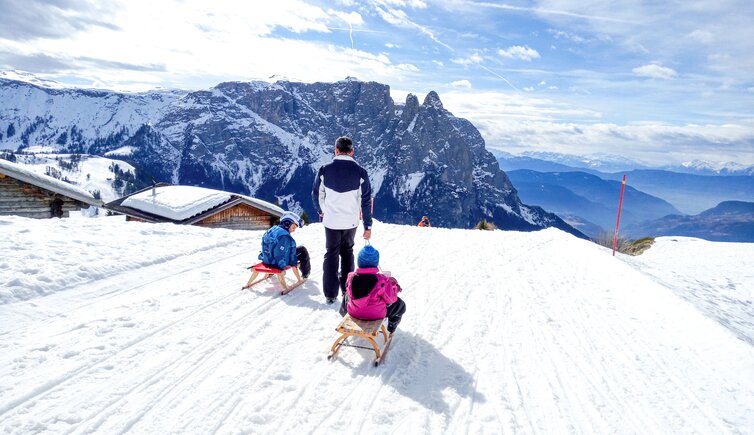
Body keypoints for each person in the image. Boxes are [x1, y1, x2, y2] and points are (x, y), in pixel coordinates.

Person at [312, 136, 373, 304]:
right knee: (348, 253)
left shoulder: (324, 170)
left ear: (336, 150)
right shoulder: (361, 172)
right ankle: (347, 292)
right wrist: (367, 225)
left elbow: (316, 194)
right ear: (352, 151)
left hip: (331, 221)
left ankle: (330, 294)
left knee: (331, 254)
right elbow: (366, 200)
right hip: (351, 222)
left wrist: (322, 211)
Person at [339, 245, 406, 335]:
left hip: (354, 313)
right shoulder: (381, 280)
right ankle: (392, 327)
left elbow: (348, 288)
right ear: (375, 263)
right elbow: (391, 299)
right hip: (375, 315)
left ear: (359, 262)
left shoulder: (351, 277)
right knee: (400, 305)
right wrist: (393, 286)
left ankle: (344, 314)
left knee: (347, 295)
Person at [258, 211, 311, 279]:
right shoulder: (284, 236)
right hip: (277, 263)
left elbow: (267, 246)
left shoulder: (272, 229)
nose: (294, 230)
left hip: (267, 260)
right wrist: (289, 264)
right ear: (287, 223)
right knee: (302, 250)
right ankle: (305, 274)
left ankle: (271, 271)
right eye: (294, 227)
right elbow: (279, 254)